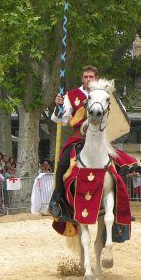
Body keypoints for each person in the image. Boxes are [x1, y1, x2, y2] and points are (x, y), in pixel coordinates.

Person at [49, 65, 98, 217]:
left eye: (91, 77)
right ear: (82, 79)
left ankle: (118, 205)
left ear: (96, 78)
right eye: (86, 77)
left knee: (121, 163)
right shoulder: (72, 95)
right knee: (63, 162)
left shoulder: (104, 93)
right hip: (80, 136)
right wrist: (59, 105)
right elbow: (61, 120)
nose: (88, 79)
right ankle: (57, 200)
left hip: (100, 137)